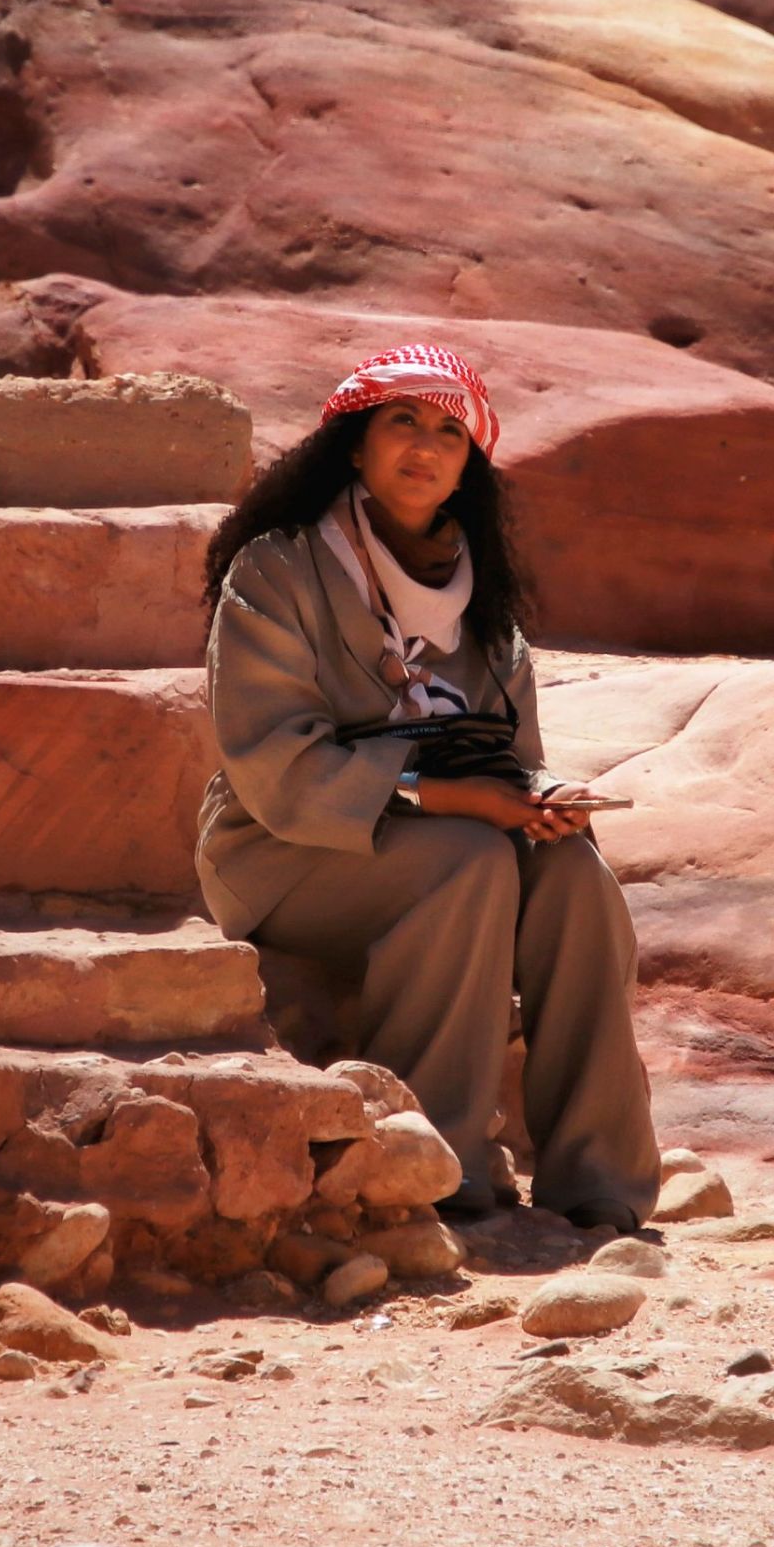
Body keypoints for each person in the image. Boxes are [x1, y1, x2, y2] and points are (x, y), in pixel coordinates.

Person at [192, 343, 661, 1236]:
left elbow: (509, 755)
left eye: (451, 430)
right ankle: (437, 1159)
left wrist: (541, 795)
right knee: (470, 857)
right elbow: (275, 763)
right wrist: (452, 801)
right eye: (402, 420)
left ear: (467, 466)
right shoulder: (278, 570)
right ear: (356, 444)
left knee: (575, 880)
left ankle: (599, 1176)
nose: (426, 444)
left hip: (447, 834)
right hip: (282, 848)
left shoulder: (481, 602)